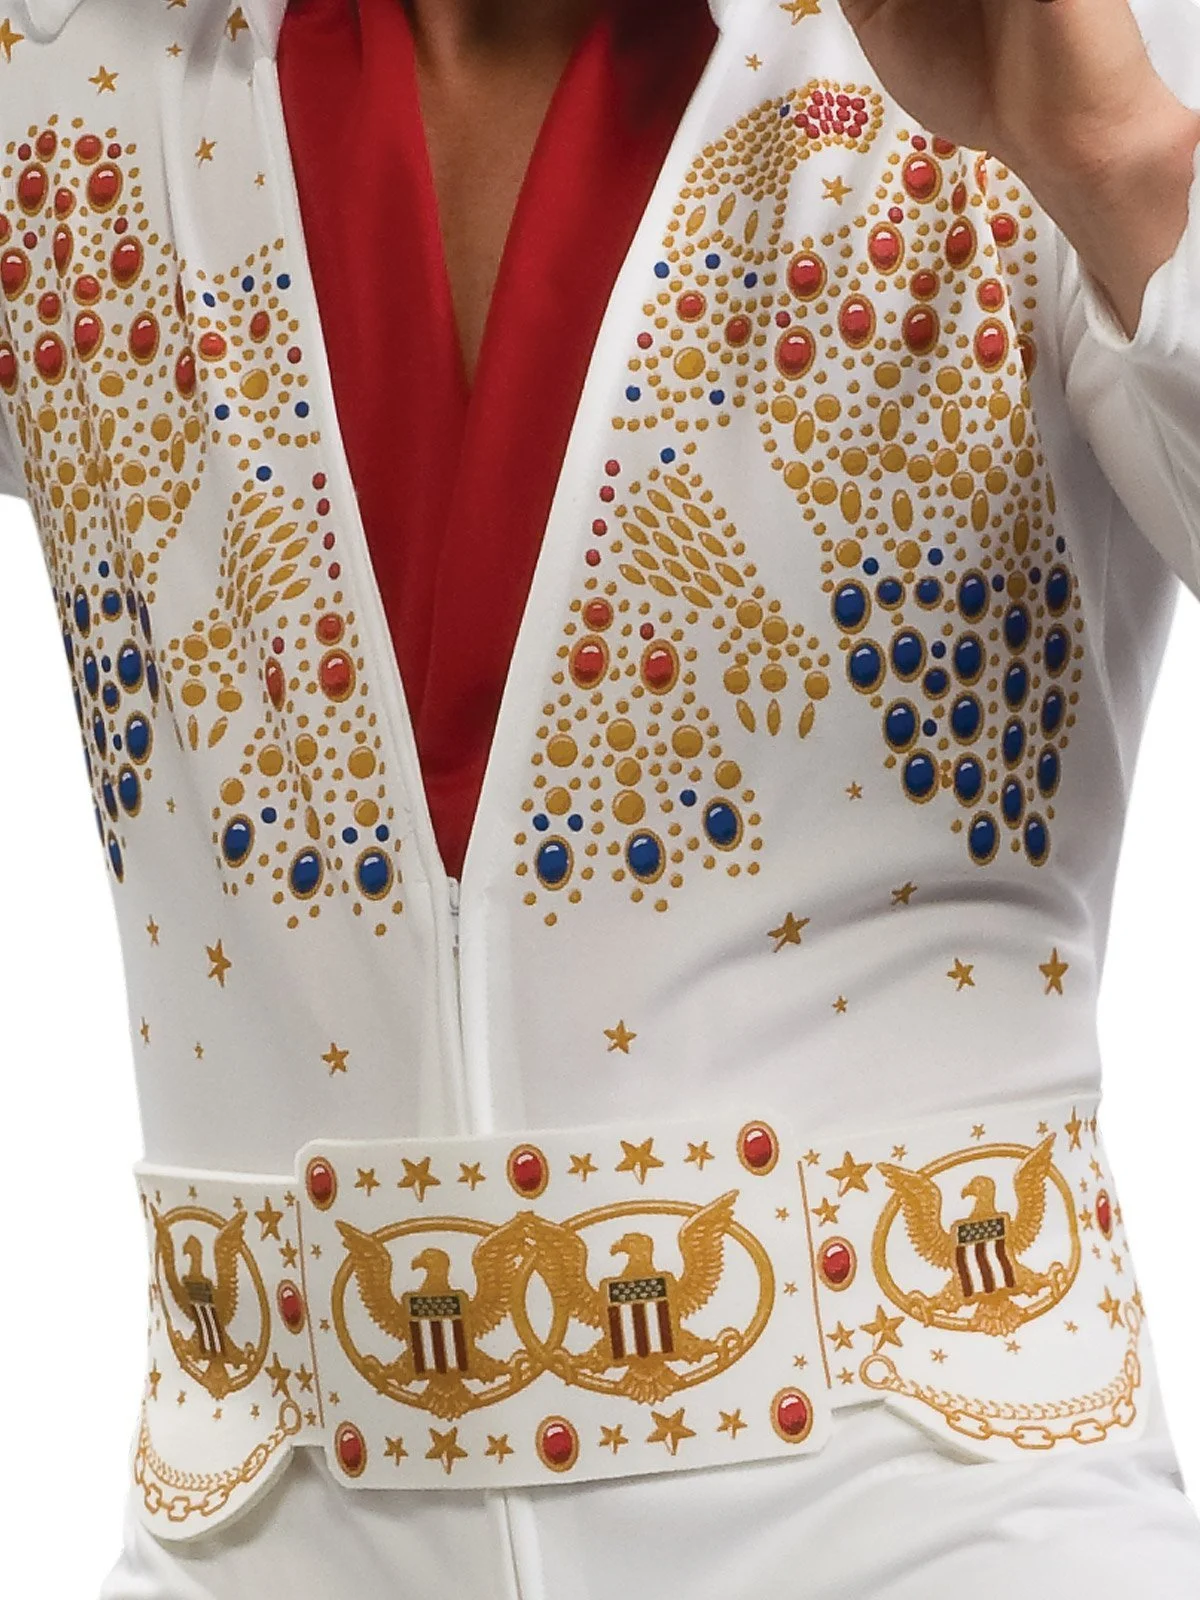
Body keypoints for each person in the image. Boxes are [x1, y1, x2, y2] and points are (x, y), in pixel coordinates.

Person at [4, 0, 1200, 1594]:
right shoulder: (58, 62)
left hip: (948, 1536)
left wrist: (1121, 161)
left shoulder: (1092, 42)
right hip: (256, 1542)